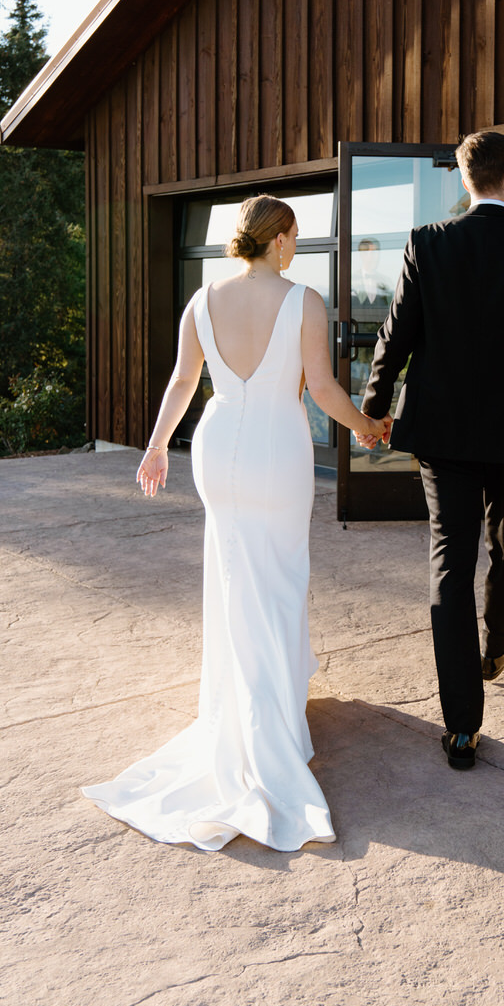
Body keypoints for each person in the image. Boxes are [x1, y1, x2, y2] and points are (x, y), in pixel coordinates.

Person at [82, 195, 388, 851]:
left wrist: (159, 444)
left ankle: (243, 711)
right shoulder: (304, 301)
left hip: (218, 448)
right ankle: (272, 725)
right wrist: (365, 426)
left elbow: (181, 382)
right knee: (277, 577)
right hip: (278, 446)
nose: (296, 249)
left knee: (233, 579)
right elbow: (325, 389)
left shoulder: (204, 300)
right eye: (295, 238)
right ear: (278, 240)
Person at [358, 131, 504, 770]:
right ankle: (497, 640)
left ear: (465, 182)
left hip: (443, 431)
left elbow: (395, 334)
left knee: (450, 562)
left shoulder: (427, 243)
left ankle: (462, 726)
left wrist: (375, 408)